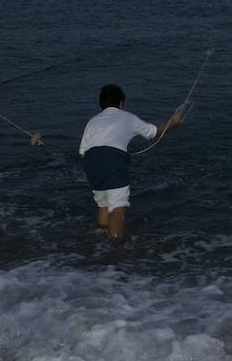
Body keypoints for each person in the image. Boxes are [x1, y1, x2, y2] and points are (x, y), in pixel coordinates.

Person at [78, 84, 184, 243]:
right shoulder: (127, 117)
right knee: (118, 208)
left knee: (103, 204)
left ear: (102, 105)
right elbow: (153, 132)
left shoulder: (93, 120)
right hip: (112, 160)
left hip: (91, 163)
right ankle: (113, 250)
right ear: (121, 103)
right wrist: (174, 122)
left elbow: (82, 151)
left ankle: (100, 238)